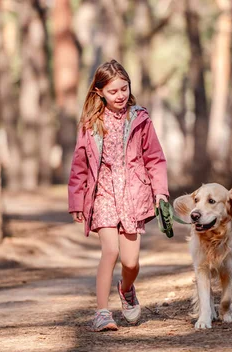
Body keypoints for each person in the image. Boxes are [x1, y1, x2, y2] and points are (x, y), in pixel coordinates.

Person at [68, 59, 169, 332]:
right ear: (99, 92)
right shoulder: (91, 123)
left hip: (133, 196)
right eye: (113, 91)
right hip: (102, 196)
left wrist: (160, 192)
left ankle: (126, 289)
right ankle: (102, 312)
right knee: (110, 251)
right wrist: (77, 200)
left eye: (124, 89)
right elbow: (79, 165)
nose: (120, 95)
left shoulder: (139, 119)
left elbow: (155, 159)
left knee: (131, 262)